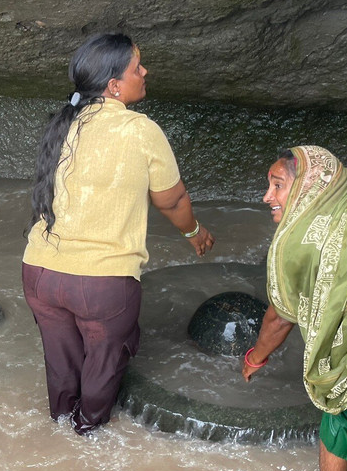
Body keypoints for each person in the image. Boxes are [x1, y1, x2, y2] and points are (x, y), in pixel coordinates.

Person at [22, 32, 214, 435]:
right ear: (114, 86)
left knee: (62, 364)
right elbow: (173, 201)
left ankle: (56, 438)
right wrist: (194, 233)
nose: (145, 72)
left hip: (39, 273)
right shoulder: (139, 130)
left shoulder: (63, 124)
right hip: (101, 284)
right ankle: (89, 438)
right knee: (104, 363)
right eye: (137, 67)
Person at [242, 146, 347, 471]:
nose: (266, 197)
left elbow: (279, 316)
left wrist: (255, 357)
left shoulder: (298, 241)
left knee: (336, 405)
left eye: (277, 186)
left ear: (308, 186)